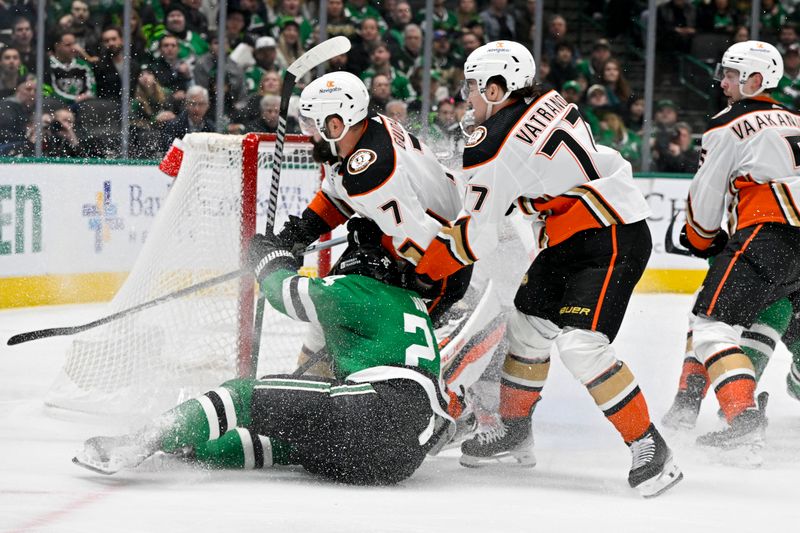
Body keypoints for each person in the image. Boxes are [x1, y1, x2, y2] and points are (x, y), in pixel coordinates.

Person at [413, 40, 683, 497]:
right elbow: (525, 168)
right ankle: (516, 433)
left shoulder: (491, 142)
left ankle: (650, 447)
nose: (468, 97)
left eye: (475, 87)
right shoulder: (546, 98)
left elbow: (473, 232)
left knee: (581, 345)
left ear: (499, 89)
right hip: (574, 233)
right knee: (527, 326)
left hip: (608, 237)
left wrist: (426, 270)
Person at [73, 225, 455, 485]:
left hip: (374, 410)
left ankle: (140, 440)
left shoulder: (360, 290)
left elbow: (284, 293)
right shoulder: (412, 304)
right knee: (296, 437)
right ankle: (191, 442)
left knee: (240, 395)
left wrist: (268, 259)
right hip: (401, 457)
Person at [672, 40, 800, 462]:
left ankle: (740, 419)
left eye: (730, 73)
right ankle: (702, 408)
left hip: (770, 231)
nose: (722, 80)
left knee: (710, 320)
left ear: (755, 80)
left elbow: (705, 197)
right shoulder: (796, 118)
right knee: (773, 309)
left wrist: (702, 238)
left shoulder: (728, 124)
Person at [45, 30, 96, 104]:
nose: (73, 48)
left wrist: (86, 96)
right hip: (58, 106)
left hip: (84, 105)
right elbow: (52, 91)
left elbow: (92, 89)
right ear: (57, 46)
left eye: (74, 44)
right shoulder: (48, 65)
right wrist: (74, 99)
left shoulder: (83, 65)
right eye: (68, 45)